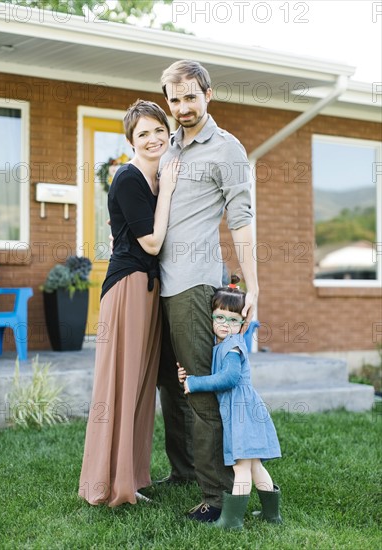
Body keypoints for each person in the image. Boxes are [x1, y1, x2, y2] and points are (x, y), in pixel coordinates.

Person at [156, 59, 259, 522]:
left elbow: (241, 219)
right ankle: (183, 472)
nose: (182, 107)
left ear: (208, 95)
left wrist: (251, 283)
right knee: (169, 385)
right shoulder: (168, 146)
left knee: (197, 386)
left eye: (190, 97)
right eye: (174, 99)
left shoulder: (227, 149)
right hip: (157, 283)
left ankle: (216, 496)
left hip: (194, 283)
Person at [79, 100, 179, 507]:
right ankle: (109, 484)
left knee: (139, 385)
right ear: (131, 141)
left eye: (158, 129)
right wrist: (169, 191)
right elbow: (152, 242)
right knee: (120, 384)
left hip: (149, 287)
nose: (153, 138)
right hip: (129, 286)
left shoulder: (157, 176)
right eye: (143, 134)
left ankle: (131, 478)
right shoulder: (130, 178)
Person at [178, 285, 282, 530]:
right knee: (255, 465)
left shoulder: (233, 347)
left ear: (242, 323)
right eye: (220, 317)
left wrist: (195, 382)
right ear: (211, 317)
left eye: (233, 320)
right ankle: (272, 516)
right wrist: (184, 374)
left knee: (241, 466)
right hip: (244, 411)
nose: (225, 324)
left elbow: (229, 378)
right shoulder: (224, 343)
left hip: (242, 413)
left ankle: (232, 520)